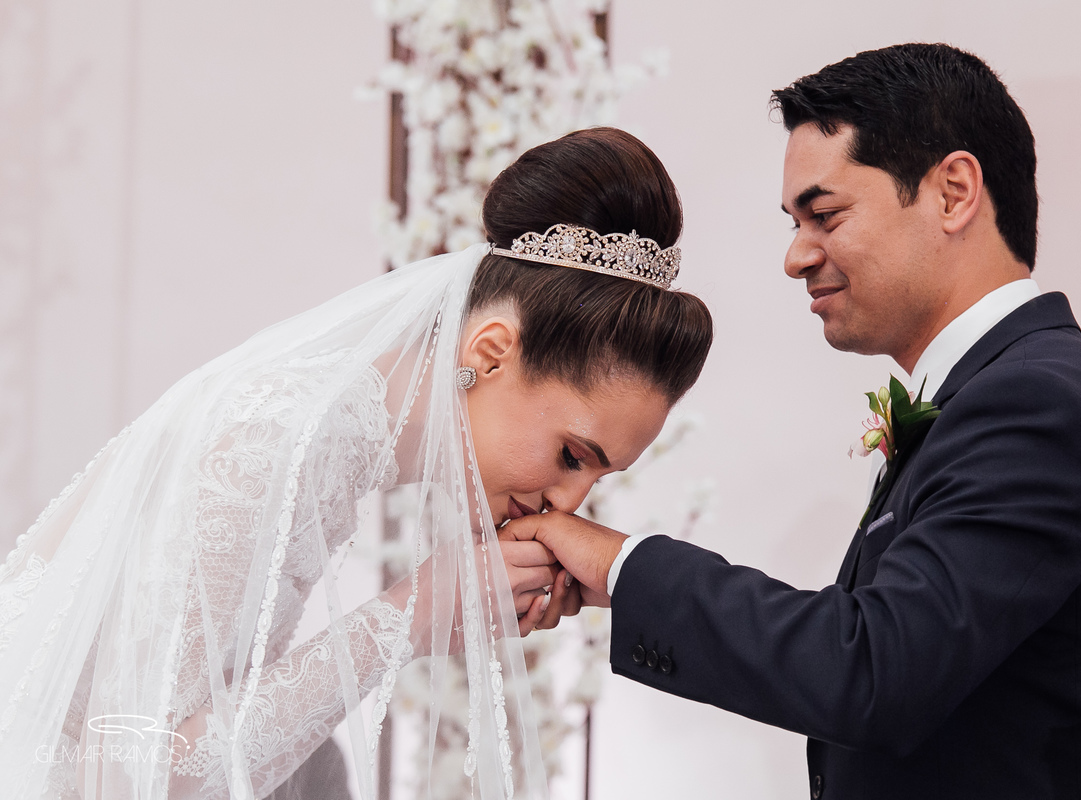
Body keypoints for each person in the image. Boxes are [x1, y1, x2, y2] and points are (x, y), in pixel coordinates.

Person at [507, 44, 1081, 798]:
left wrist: (620, 564)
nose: (797, 256)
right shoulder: (1003, 395)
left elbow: (871, 671)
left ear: (953, 192)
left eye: (824, 214)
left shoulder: (1041, 407)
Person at [0, 127, 712, 800]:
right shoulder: (280, 438)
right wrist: (414, 613)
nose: (570, 501)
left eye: (598, 477)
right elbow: (132, 776)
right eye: (570, 455)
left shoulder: (330, 426)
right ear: (490, 352)